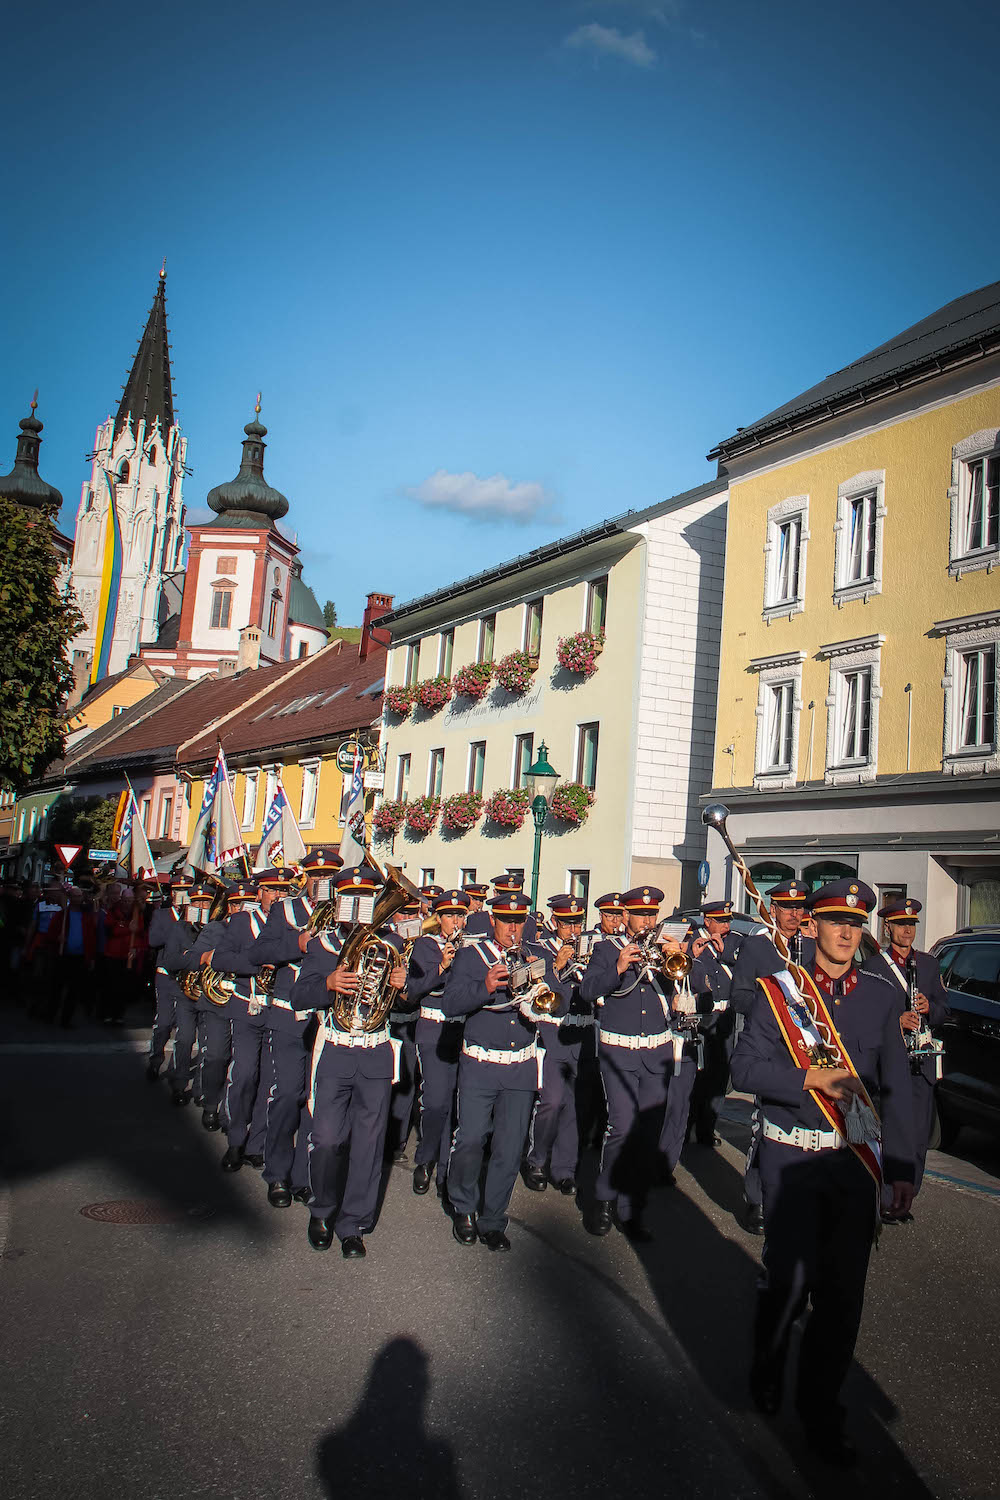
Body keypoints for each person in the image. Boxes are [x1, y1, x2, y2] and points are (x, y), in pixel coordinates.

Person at [730, 878, 915, 1466]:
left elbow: (897, 1089)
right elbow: (744, 1069)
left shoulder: (882, 997)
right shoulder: (779, 993)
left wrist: (904, 1167)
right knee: (786, 1286)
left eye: (856, 923)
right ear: (810, 925)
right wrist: (807, 1078)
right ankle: (767, 1363)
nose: (845, 932)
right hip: (790, 1163)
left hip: (852, 1166)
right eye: (834, 920)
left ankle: (819, 1414)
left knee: (841, 1300)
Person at [290, 866, 407, 1260]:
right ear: (337, 901)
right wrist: (327, 984)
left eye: (367, 899)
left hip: (375, 1051)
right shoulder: (323, 946)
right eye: (350, 899)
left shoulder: (391, 943)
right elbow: (297, 995)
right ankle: (322, 1209)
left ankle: (353, 1224)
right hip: (336, 1050)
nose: (358, 907)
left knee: (369, 1143)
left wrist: (402, 986)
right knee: (326, 1139)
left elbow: (414, 995)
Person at [442, 891, 567, 1251]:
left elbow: (560, 1000)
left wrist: (544, 992)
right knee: (470, 1138)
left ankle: (493, 1218)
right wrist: (484, 986)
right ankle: (464, 1206)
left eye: (518, 921)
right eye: (505, 921)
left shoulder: (538, 954)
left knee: (511, 1147)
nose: (513, 928)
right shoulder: (471, 956)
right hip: (480, 1063)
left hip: (522, 1066)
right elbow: (451, 1003)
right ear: (493, 921)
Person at [579, 885, 678, 1240]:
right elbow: (589, 990)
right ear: (626, 917)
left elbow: (690, 987)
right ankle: (605, 1198)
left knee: (647, 1134)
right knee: (621, 1127)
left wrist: (680, 960)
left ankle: (632, 1209)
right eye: (641, 915)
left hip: (657, 1050)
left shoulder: (666, 948)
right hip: (619, 1050)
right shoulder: (606, 949)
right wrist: (619, 966)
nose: (648, 921)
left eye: (652, 915)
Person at [728, 879, 815, 1234]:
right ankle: (757, 1198)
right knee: (764, 1126)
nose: (795, 914)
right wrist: (773, 1008)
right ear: (772, 908)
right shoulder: (758, 947)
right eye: (787, 907)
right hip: (769, 1048)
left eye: (800, 908)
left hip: (809, 1048)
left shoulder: (811, 947)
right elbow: (740, 996)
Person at [863, 897, 948, 1212]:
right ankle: (887, 1197)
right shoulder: (874, 966)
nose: (907, 931)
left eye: (911, 925)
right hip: (890, 1063)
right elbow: (865, 1014)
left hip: (922, 1059)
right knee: (890, 1129)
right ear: (888, 927)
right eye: (901, 924)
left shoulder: (928, 964)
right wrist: (895, 1021)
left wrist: (931, 1009)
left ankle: (908, 1196)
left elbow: (944, 1008)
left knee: (918, 1134)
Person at [202, 875, 290, 1173]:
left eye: (283, 890)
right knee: (244, 1075)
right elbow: (220, 960)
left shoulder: (293, 923)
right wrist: (257, 963)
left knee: (270, 1081)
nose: (278, 896)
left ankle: (257, 1144)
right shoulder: (241, 922)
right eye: (273, 890)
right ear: (261, 892)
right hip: (246, 1008)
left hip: (278, 1011)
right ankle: (236, 1139)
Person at [523, 893, 594, 1195]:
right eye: (567, 925)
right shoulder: (538, 950)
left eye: (577, 924)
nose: (573, 931)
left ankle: (565, 1168)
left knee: (575, 1105)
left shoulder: (590, 950)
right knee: (551, 1102)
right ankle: (537, 1159)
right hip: (552, 1032)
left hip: (583, 1034)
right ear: (554, 922)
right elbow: (543, 995)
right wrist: (556, 969)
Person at [407, 889, 470, 1198]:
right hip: (433, 1027)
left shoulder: (472, 948)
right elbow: (414, 989)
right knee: (435, 1101)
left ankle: (447, 1166)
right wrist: (442, 967)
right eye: (449, 916)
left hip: (464, 1029)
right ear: (439, 918)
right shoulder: (424, 945)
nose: (455, 921)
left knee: (459, 1102)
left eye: (460, 915)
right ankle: (426, 1158)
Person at [685, 900, 744, 1148]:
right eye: (720, 921)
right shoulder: (692, 940)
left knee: (720, 1075)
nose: (725, 926)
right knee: (697, 1075)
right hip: (701, 1017)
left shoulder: (735, 941)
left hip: (726, 1015)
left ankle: (707, 1129)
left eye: (728, 921)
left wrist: (724, 954)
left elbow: (744, 968)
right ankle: (687, 1128)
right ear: (707, 921)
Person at [146, 875, 192, 1081]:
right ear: (173, 894)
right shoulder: (162, 915)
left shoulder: (197, 917)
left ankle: (178, 1074)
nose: (183, 896)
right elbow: (153, 940)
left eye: (186, 892)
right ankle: (155, 1060)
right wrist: (178, 928)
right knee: (163, 1023)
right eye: (179, 892)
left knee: (185, 1032)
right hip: (166, 976)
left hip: (187, 979)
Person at [44, 886, 97, 1027]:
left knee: (73, 991)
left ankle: (66, 1019)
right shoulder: (62, 916)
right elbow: (50, 934)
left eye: (80, 896)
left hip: (79, 957)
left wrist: (91, 957)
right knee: (57, 988)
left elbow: (91, 937)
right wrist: (57, 938)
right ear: (70, 898)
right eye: (75, 896)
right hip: (63, 956)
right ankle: (50, 1015)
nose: (78, 899)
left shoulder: (86, 916)